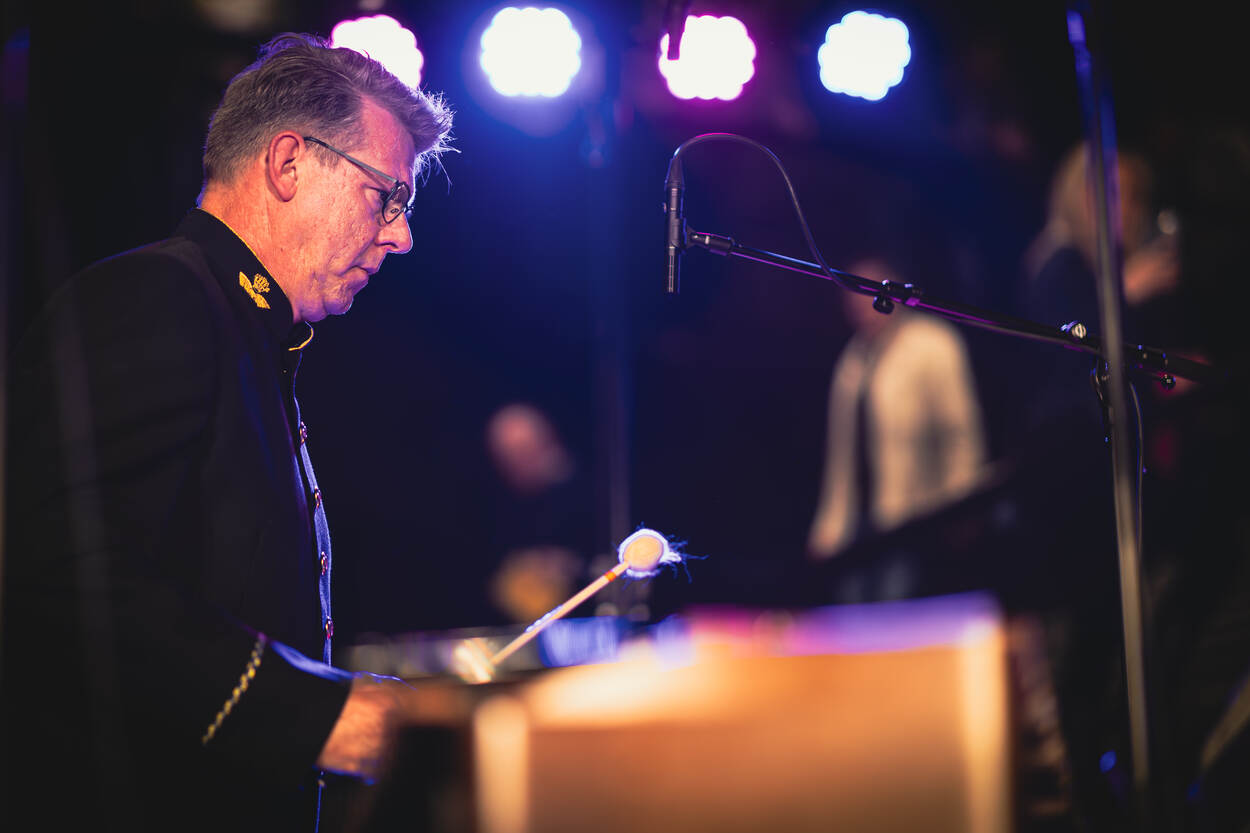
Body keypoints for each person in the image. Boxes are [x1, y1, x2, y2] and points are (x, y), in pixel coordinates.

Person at [1, 33, 458, 831]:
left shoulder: (245, 330)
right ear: (288, 163)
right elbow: (57, 564)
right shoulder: (157, 296)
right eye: (386, 195)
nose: (400, 235)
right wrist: (316, 712)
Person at [806, 255, 989, 596]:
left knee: (901, 611)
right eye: (852, 293)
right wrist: (827, 529)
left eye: (869, 291)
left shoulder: (933, 344)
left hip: (917, 521)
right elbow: (841, 459)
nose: (860, 304)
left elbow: (959, 433)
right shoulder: (853, 361)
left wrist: (964, 505)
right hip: (860, 528)